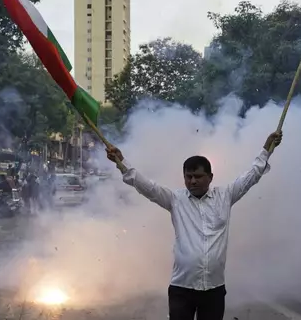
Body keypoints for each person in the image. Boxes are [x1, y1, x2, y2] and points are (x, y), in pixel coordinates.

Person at [106, 131, 283, 320]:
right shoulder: (175, 200)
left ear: (210, 177)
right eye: (188, 176)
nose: (192, 181)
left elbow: (252, 175)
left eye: (198, 176)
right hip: (182, 289)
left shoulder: (226, 196)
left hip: (214, 289)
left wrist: (267, 149)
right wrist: (121, 162)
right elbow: (146, 186)